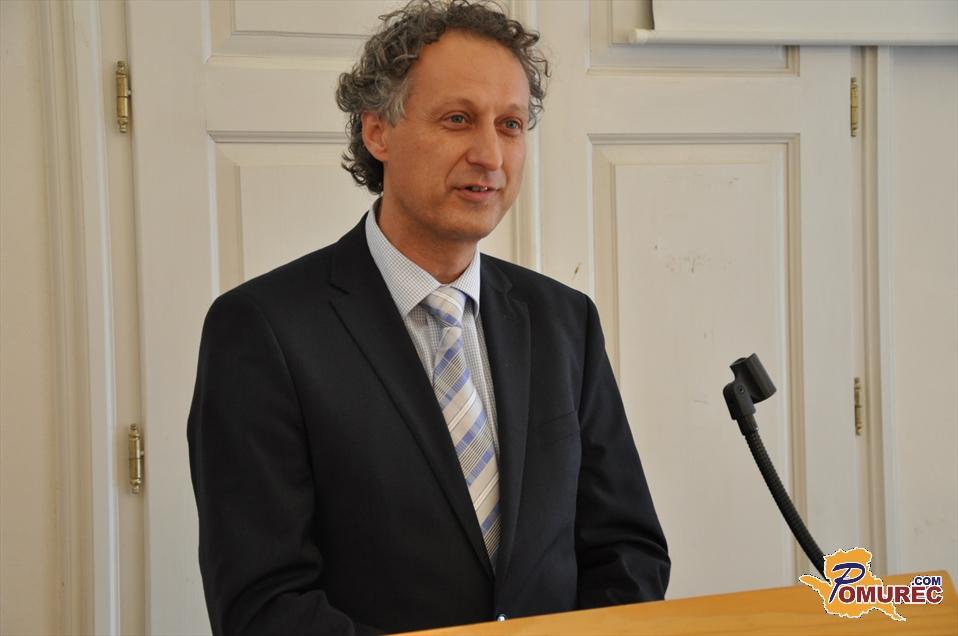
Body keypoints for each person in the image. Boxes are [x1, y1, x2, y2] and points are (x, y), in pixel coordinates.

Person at [187, 1, 669, 634]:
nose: (490, 155)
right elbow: (263, 604)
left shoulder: (563, 320)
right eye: (457, 119)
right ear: (377, 131)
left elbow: (627, 550)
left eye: (510, 124)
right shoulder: (262, 330)